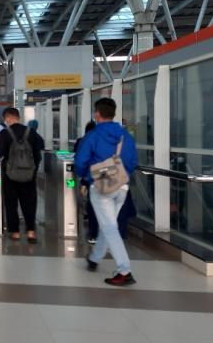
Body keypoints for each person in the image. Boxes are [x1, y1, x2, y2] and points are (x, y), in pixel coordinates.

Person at [75, 98, 138, 286]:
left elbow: (80, 162)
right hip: (122, 184)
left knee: (110, 227)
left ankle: (124, 270)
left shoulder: (93, 136)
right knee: (108, 224)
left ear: (97, 114)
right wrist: (120, 174)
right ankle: (95, 258)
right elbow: (133, 160)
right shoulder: (125, 136)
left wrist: (86, 176)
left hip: (100, 185)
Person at [0, 107, 44, 243]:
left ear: (8, 118)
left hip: (10, 175)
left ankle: (15, 232)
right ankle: (31, 231)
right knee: (29, 202)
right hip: (29, 175)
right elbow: (40, 148)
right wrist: (33, 168)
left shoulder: (5, 133)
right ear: (18, 117)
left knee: (11, 202)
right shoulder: (31, 132)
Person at [75, 121, 99, 244]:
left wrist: (82, 177)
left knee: (93, 204)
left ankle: (93, 233)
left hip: (90, 177)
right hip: (108, 177)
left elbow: (79, 160)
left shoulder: (83, 140)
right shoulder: (106, 139)